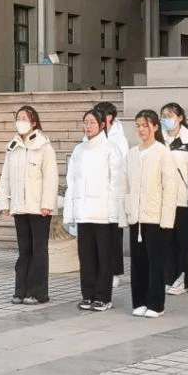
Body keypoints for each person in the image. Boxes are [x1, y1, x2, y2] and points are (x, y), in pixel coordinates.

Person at [64, 108, 124, 312]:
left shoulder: (111, 149)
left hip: (104, 215)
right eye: (86, 122)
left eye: (92, 123)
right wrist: (71, 212)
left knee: (104, 257)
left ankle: (103, 297)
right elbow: (72, 182)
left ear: (102, 125)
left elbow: (117, 183)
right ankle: (88, 295)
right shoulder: (78, 150)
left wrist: (114, 213)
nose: (88, 126)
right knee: (86, 257)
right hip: (84, 214)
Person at [0, 105, 58, 305]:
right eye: (18, 118)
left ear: (33, 122)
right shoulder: (13, 147)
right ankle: (20, 290)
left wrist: (47, 204)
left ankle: (37, 292)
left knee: (38, 251)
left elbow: (51, 177)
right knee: (24, 251)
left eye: (24, 118)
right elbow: (6, 177)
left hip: (39, 208)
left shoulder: (44, 145)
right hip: (20, 207)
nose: (20, 122)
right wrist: (5, 202)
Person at [124, 110, 177, 318]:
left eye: (145, 125)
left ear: (155, 127)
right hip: (136, 217)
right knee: (138, 262)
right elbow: (125, 185)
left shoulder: (163, 153)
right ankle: (139, 301)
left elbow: (170, 188)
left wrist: (166, 220)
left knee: (155, 262)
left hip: (155, 217)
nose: (141, 130)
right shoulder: (132, 154)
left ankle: (156, 304)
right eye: (138, 125)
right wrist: (127, 212)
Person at [160, 103, 188, 296]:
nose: (166, 119)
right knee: (166, 239)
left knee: (181, 239)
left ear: (180, 117)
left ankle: (183, 279)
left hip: (182, 198)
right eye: (164, 115)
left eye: (170, 115)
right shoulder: (160, 138)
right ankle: (168, 277)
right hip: (163, 197)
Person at [95, 101, 129, 290]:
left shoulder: (119, 138)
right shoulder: (90, 135)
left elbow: (120, 166)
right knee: (99, 235)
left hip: (114, 193)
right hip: (97, 193)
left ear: (110, 117)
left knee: (114, 235)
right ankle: (101, 269)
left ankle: (115, 272)